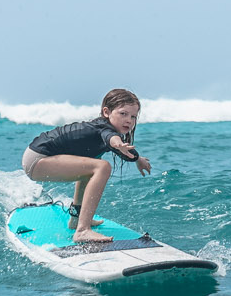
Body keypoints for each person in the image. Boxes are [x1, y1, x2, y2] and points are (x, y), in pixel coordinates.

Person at [21, 88, 151, 243]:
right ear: (106, 112)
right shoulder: (105, 130)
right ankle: (83, 231)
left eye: (133, 116)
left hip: (39, 157)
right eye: (123, 114)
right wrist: (119, 144)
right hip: (38, 159)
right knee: (102, 167)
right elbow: (112, 139)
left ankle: (76, 219)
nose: (129, 120)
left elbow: (123, 150)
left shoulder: (104, 130)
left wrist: (138, 159)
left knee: (92, 164)